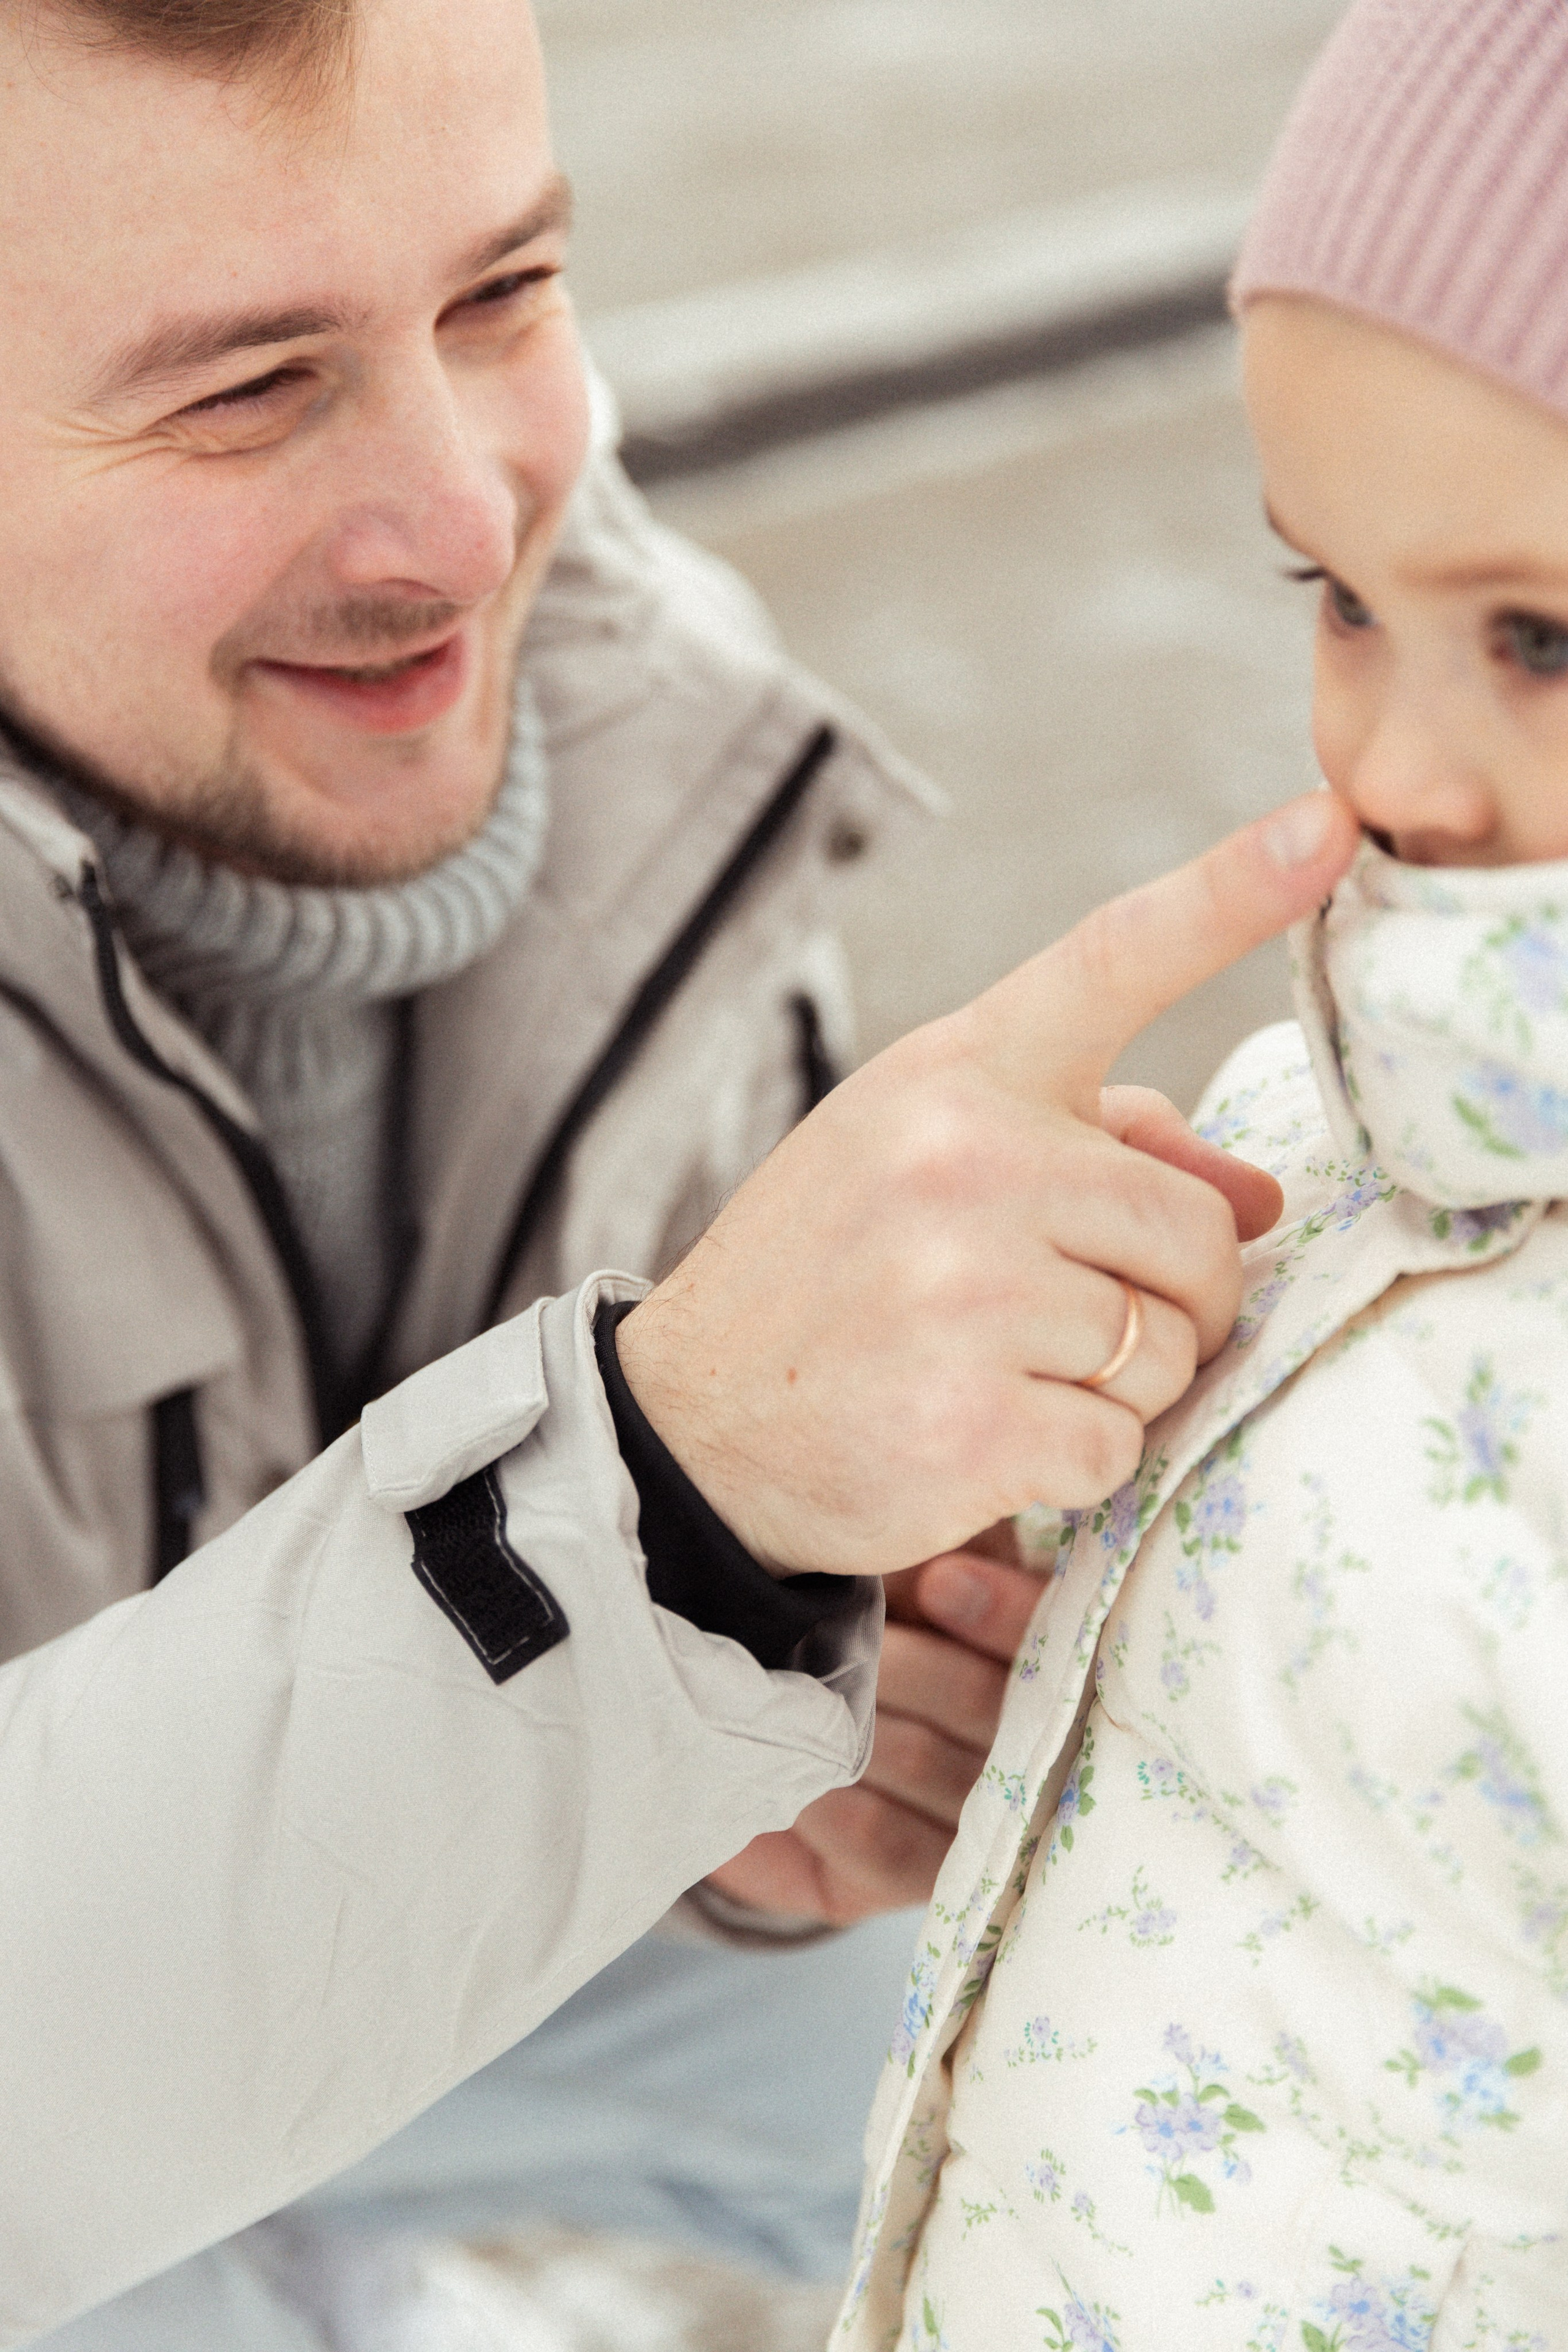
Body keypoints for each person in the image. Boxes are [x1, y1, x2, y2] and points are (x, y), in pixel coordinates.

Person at [0, 0, 1357, 2343]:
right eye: (243, 389)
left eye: (504, 293)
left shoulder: (642, 703)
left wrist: (753, 1716)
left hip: (337, 1857)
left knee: (1198, 2026)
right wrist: (666, 1491)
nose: (468, 520)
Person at [839, 4, 1568, 2346]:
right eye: (1338, 601)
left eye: (1539, 641)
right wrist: (1009, 1487)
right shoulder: (1328, 1111)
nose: (1398, 762)